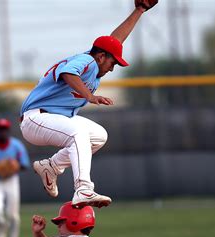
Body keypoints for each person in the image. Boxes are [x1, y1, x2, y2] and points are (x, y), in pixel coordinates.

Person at [20, 1, 158, 208]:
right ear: (101, 57)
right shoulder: (88, 61)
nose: (113, 68)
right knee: (78, 133)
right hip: (36, 119)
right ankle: (83, 189)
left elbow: (114, 40)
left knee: (98, 136)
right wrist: (90, 96)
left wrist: (139, 11)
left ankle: (52, 166)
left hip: (55, 118)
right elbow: (67, 73)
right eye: (113, 62)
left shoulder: (95, 60)